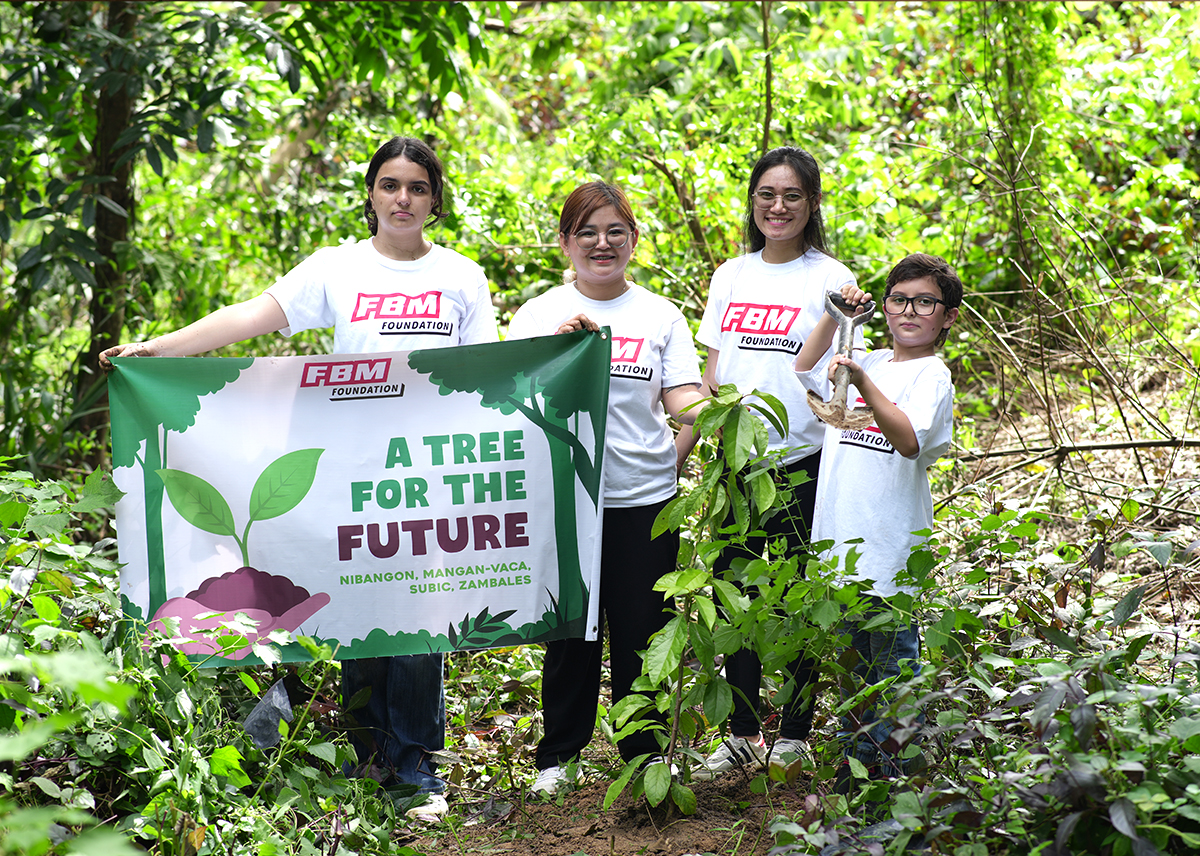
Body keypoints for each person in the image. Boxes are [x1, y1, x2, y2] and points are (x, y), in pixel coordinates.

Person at [100, 135, 498, 819]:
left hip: (428, 472)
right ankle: (368, 758)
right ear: (371, 193)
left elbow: (485, 372)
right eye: (390, 185)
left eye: (418, 188)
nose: (403, 199)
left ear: (435, 199)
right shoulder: (335, 269)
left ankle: (416, 771)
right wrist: (157, 350)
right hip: (348, 469)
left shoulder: (460, 276)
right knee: (362, 605)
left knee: (419, 617)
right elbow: (251, 316)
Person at [505, 181, 708, 796]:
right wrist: (557, 353)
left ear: (634, 241)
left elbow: (684, 402)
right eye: (587, 232)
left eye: (615, 231)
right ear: (565, 243)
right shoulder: (538, 314)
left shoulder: (659, 314)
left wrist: (672, 458)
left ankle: (641, 755)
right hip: (565, 502)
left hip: (644, 502)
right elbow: (509, 404)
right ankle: (558, 756)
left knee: (642, 627)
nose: (602, 243)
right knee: (573, 629)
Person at [679, 146, 861, 780]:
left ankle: (798, 731)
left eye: (791, 196)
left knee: (799, 593)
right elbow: (713, 369)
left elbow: (834, 379)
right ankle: (742, 731)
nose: (776, 207)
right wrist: (700, 441)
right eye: (765, 195)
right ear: (752, 202)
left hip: (803, 457)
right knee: (735, 593)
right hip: (736, 459)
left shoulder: (830, 278)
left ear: (811, 203)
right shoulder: (731, 274)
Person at [793, 252, 960, 789]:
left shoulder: (931, 374)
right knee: (852, 672)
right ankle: (859, 772)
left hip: (888, 551)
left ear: (948, 316)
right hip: (840, 546)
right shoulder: (869, 358)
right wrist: (837, 314)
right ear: (884, 307)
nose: (909, 310)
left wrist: (864, 381)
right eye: (899, 299)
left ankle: (891, 783)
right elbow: (804, 369)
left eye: (925, 302)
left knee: (891, 673)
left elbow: (908, 439)